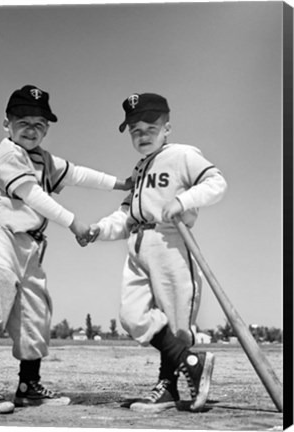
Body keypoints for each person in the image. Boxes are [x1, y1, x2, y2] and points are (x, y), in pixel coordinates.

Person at [0, 84, 132, 414]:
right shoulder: (7, 154)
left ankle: (28, 386)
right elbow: (33, 195)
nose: (31, 129)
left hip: (31, 247)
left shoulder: (42, 158)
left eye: (39, 123)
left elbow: (78, 173)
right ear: (6, 123)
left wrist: (121, 183)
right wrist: (74, 222)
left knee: (34, 313)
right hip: (2, 239)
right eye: (23, 121)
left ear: (47, 128)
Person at [80, 92, 227, 413]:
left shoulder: (182, 155)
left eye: (150, 127)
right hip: (138, 243)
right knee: (132, 315)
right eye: (135, 130)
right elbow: (125, 215)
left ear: (167, 127)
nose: (142, 135)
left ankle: (168, 387)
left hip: (171, 241)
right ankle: (191, 362)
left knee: (176, 322)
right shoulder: (140, 167)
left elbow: (216, 183)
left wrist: (183, 201)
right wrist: (99, 229)